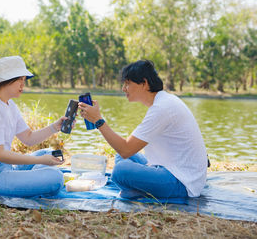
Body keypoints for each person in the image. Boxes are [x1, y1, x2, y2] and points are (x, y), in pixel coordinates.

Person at [78, 60, 207, 199]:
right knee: (120, 156)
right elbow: (126, 150)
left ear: (144, 83)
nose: (123, 88)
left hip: (182, 182)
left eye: (128, 83)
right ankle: (139, 189)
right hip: (167, 168)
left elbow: (126, 149)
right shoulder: (162, 102)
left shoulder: (162, 108)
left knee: (121, 171)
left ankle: (137, 189)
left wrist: (98, 121)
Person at [0, 56, 65, 197]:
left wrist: (55, 127)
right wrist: (39, 161)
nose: (23, 85)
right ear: (7, 79)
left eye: (24, 80)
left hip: (6, 167)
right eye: (20, 80)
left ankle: (31, 178)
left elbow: (28, 138)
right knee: (56, 178)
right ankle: (36, 177)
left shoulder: (8, 104)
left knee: (48, 153)